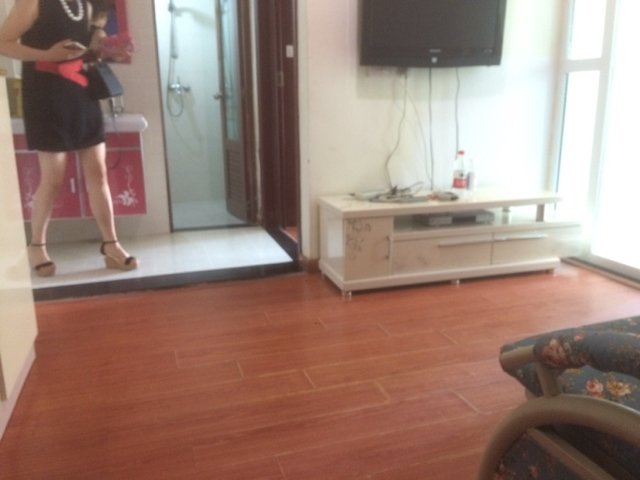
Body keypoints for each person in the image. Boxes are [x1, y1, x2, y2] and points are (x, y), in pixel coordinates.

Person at [0, 0, 138, 276]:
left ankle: (111, 244)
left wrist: (109, 51)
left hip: (81, 90)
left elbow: (84, 51)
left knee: (98, 172)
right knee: (53, 179)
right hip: (45, 95)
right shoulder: (32, 2)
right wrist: (47, 54)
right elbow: (3, 43)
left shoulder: (84, 4)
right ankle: (37, 246)